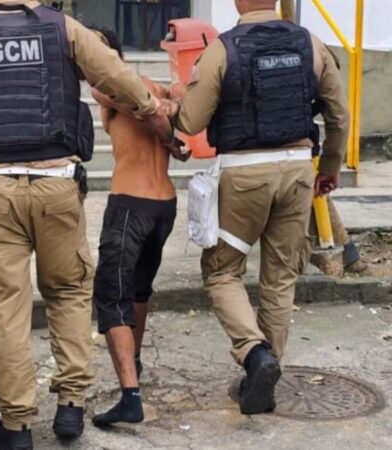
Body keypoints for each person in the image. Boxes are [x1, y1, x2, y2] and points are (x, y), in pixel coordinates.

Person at [0, 1, 173, 448]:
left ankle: (15, 427)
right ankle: (71, 406)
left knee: (5, 307)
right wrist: (152, 109)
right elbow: (115, 75)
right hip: (57, 185)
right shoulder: (65, 28)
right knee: (69, 292)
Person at [162, 0, 349, 415]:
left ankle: (254, 354)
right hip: (299, 170)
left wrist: (174, 100)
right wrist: (330, 167)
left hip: (244, 174)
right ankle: (265, 372)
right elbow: (339, 115)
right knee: (281, 274)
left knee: (222, 269)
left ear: (236, 3)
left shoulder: (222, 49)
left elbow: (191, 122)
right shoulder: (312, 44)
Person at [86, 28, 189, 427]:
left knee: (112, 295)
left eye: (94, 49)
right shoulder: (150, 86)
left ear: (112, 54)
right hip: (164, 206)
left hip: (130, 205)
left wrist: (167, 120)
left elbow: (147, 106)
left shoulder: (108, 88)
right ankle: (137, 360)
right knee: (139, 290)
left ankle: (130, 396)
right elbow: (170, 102)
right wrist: (171, 118)